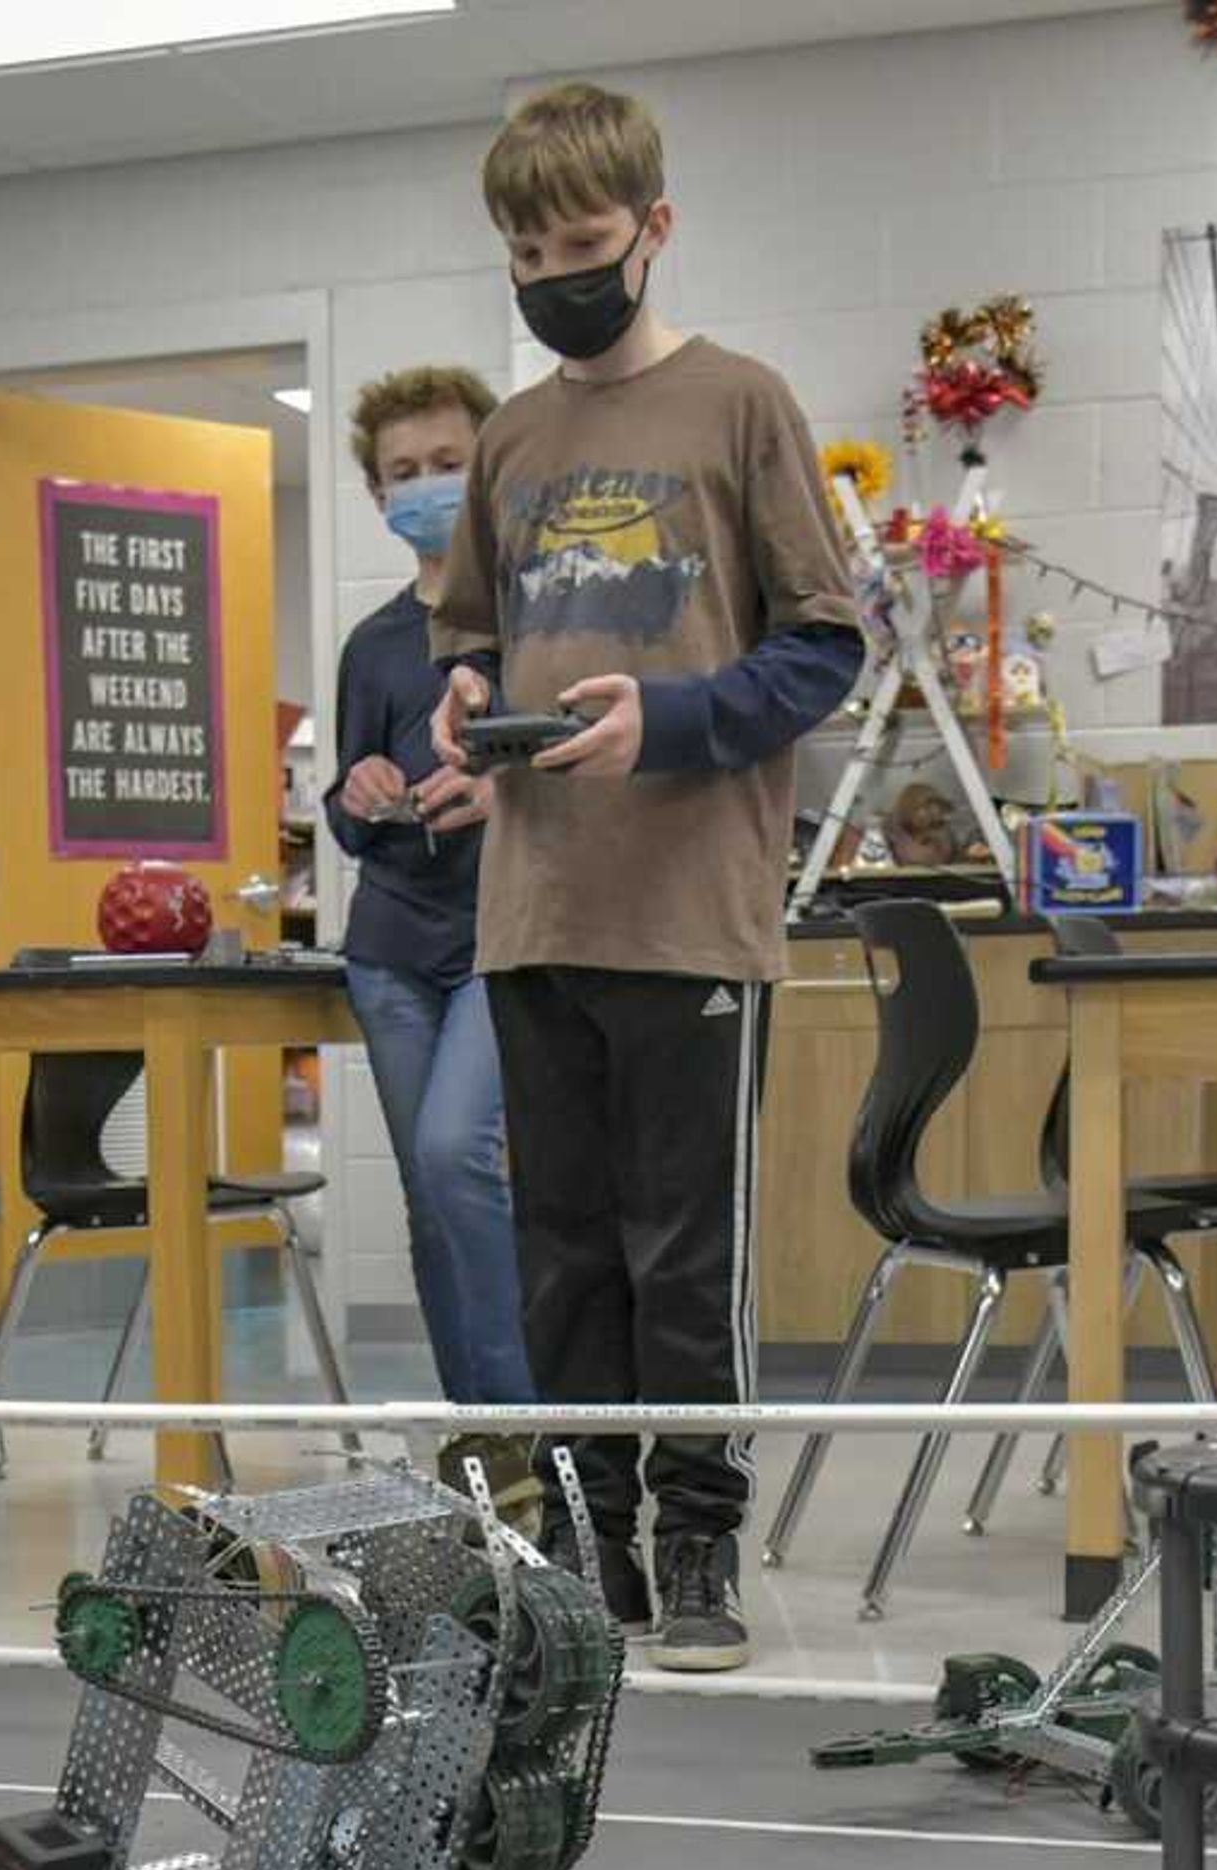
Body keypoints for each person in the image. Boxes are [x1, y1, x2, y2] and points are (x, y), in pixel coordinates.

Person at [424, 81, 866, 1673]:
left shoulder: (742, 403)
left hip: (691, 912)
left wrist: (671, 719)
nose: (556, 271)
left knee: (687, 1255)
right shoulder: (510, 438)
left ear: (654, 231)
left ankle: (696, 1551)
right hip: (535, 908)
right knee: (566, 1252)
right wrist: (465, 703)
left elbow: (829, 644)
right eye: (527, 249)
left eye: (586, 241)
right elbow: (470, 636)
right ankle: (588, 1550)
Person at [329, 362, 537, 1508]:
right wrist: (359, 794)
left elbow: (571, 774)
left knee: (462, 1155)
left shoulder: (531, 620)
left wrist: (509, 791)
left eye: (447, 465)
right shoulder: (373, 645)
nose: (426, 488)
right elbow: (344, 820)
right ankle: (480, 1458)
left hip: (504, 935)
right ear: (376, 494)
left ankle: (521, 1439)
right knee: (426, 1187)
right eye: (402, 473)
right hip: (393, 943)